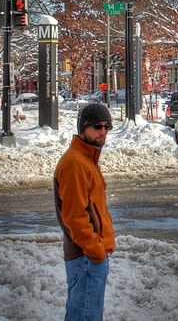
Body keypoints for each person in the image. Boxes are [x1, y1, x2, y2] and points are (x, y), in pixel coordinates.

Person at [54, 103, 117, 321]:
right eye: (97, 127)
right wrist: (96, 250)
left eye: (107, 127)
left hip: (91, 257)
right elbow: (74, 217)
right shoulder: (75, 163)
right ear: (83, 129)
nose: (103, 132)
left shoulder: (87, 160)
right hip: (85, 257)